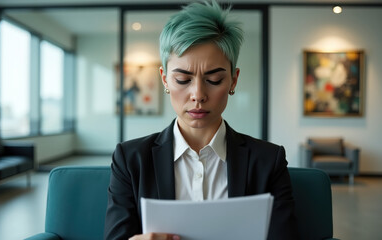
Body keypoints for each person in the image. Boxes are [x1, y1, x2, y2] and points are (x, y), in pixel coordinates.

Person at [104, 1, 299, 239]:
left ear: (233, 81)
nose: (198, 95)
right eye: (183, 80)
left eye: (214, 79)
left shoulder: (269, 161)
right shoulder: (130, 160)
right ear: (165, 80)